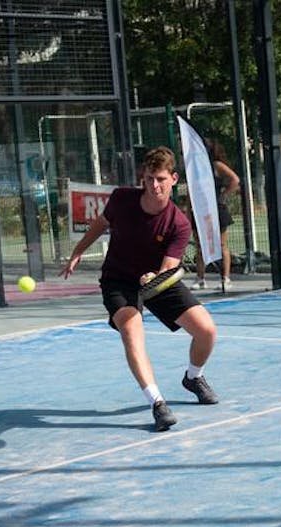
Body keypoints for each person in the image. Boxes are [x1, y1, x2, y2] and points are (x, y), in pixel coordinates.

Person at [60, 146, 220, 432]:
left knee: (207, 331)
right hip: (118, 280)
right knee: (132, 331)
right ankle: (157, 404)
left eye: (160, 179)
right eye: (148, 178)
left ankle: (194, 377)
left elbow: (168, 267)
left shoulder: (179, 224)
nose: (154, 185)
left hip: (159, 281)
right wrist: (78, 251)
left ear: (173, 179)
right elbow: (100, 225)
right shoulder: (122, 199)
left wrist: (154, 278)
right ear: (142, 178)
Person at [192, 138, 240, 290]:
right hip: (200, 209)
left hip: (217, 209)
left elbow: (235, 180)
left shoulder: (216, 166)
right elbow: (190, 192)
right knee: (200, 245)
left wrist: (223, 195)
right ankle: (200, 279)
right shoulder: (193, 168)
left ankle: (225, 279)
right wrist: (188, 211)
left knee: (221, 244)